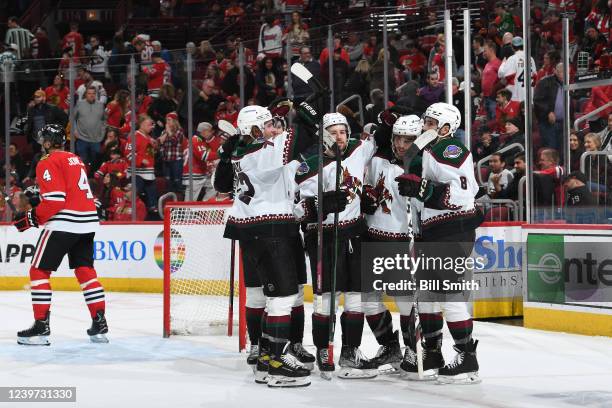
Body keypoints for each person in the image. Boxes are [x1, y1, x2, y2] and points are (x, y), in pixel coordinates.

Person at [215, 105, 316, 387]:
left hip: (260, 230)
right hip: (269, 230)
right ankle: (277, 362)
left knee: (278, 297)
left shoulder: (245, 152)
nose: (276, 129)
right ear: (256, 130)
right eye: (270, 124)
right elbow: (303, 136)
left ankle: (266, 360)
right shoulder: (262, 150)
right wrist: (307, 108)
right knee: (281, 298)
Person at [396, 102, 482, 384]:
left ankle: (467, 358)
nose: (425, 126)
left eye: (431, 123)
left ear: (446, 128)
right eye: (425, 121)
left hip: (452, 230)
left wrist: (423, 189)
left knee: (451, 297)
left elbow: (460, 190)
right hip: (432, 231)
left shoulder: (449, 148)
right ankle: (432, 352)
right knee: (429, 296)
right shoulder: (426, 151)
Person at [295, 112, 379, 380]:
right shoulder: (309, 166)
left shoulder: (358, 150)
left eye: (342, 131)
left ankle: (350, 352)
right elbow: (296, 208)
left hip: (353, 233)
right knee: (326, 299)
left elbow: (383, 140)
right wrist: (318, 205)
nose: (339, 137)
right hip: (324, 236)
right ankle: (323, 349)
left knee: (355, 296)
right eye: (333, 132)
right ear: (322, 136)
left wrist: (385, 122)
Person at [13, 124, 108, 345]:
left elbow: (56, 201)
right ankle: (100, 324)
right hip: (87, 221)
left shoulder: (47, 161)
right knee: (85, 270)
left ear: (47, 142)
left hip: (65, 222)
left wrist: (30, 219)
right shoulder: (76, 159)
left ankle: (40, 328)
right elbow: (69, 191)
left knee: (39, 270)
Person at [361, 114, 422, 373]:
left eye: (408, 140)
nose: (401, 144)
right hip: (371, 234)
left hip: (399, 240)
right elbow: (365, 185)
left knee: (404, 299)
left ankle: (413, 350)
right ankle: (389, 346)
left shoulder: (421, 166)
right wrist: (364, 197)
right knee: (368, 300)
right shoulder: (378, 159)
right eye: (398, 138)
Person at [125, 115, 158, 215]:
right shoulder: (134, 136)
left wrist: (155, 147)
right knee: (135, 194)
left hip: (148, 172)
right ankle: (128, 211)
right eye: (149, 124)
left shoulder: (149, 138)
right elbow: (128, 153)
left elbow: (150, 153)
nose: (151, 127)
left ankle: (152, 209)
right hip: (137, 173)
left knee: (152, 195)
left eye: (151, 125)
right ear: (141, 124)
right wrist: (141, 160)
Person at [182, 122, 219, 201]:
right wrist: (220, 154)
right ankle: (187, 213)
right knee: (190, 202)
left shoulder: (199, 140)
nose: (212, 133)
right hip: (194, 173)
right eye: (210, 131)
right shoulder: (196, 140)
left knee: (214, 185)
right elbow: (204, 156)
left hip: (198, 173)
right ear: (204, 131)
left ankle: (204, 207)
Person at [74, 86, 106, 173]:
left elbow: (104, 120)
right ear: (85, 95)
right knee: (82, 162)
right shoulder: (79, 104)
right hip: (81, 138)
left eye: (93, 93)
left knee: (95, 163)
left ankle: (94, 181)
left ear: (96, 95)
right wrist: (74, 130)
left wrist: (102, 133)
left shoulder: (100, 105)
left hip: (96, 139)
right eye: (89, 93)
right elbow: (72, 118)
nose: (91, 95)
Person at [534, 63, 564, 151]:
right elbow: (537, 100)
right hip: (547, 123)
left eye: (566, 72)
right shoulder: (545, 82)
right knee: (551, 149)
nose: (564, 74)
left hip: (563, 123)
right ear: (555, 71)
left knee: (562, 149)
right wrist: (548, 112)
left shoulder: (568, 83)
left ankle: (560, 165)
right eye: (561, 72)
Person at [497, 37, 537, 103]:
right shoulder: (530, 59)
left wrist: (503, 63)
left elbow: (501, 74)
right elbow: (535, 77)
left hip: (516, 98)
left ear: (512, 47)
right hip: (529, 98)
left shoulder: (512, 59)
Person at [158, 112, 185, 194]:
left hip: (176, 160)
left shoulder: (179, 131)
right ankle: (170, 198)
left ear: (174, 121)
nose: (167, 122)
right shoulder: (164, 132)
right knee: (168, 181)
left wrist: (169, 131)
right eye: (166, 120)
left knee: (177, 180)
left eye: (169, 120)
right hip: (166, 160)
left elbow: (175, 141)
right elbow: (159, 143)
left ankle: (180, 198)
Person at [481, 41, 502, 121]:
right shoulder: (487, 64)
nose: (484, 53)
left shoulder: (498, 63)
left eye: (485, 50)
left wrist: (495, 92)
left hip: (494, 97)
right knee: (489, 122)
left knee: (495, 119)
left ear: (491, 50)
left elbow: (502, 80)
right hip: (487, 97)